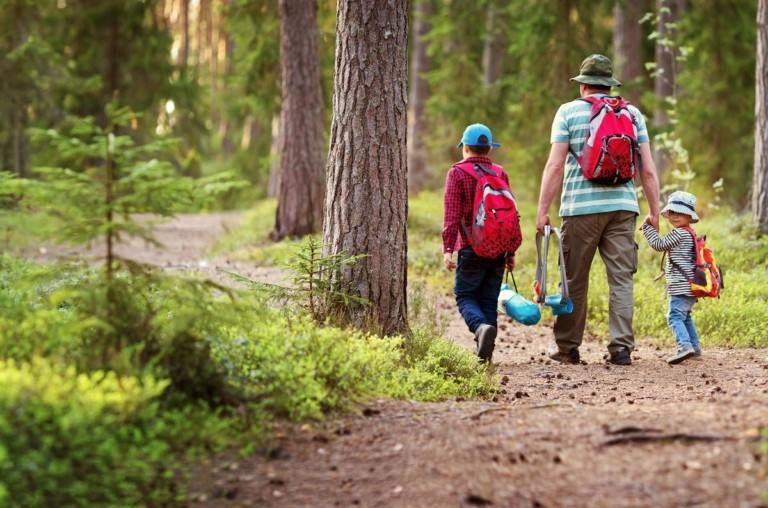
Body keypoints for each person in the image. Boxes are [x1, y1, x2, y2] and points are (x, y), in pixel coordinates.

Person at [535, 54, 660, 366]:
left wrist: (542, 210)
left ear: (583, 87)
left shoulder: (567, 112)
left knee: (574, 279)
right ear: (609, 85)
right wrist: (654, 212)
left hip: (579, 209)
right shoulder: (632, 114)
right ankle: (620, 349)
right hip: (623, 207)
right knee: (621, 279)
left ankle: (567, 348)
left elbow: (555, 166)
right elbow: (647, 171)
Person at [443, 123, 516, 363]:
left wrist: (447, 250)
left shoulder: (457, 172)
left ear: (465, 147)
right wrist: (510, 251)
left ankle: (479, 328)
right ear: (489, 150)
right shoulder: (500, 172)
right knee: (487, 298)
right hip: (498, 248)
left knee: (464, 294)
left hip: (470, 247)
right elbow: (510, 214)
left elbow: (452, 214)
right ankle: (486, 355)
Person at [641, 191, 702, 364]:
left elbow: (658, 245)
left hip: (681, 286)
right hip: (690, 286)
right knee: (685, 316)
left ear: (689, 216)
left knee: (674, 316)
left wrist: (647, 227)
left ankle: (684, 346)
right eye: (672, 213)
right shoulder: (690, 232)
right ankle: (694, 348)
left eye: (680, 213)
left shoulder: (680, 233)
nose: (674, 217)